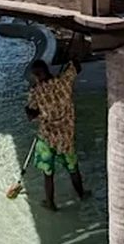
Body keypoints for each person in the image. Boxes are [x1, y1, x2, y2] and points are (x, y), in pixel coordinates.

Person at [25, 55, 88, 210]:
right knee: (73, 168)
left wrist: (34, 110)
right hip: (66, 137)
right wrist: (70, 61)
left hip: (47, 138)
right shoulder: (64, 82)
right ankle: (81, 194)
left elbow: (31, 116)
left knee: (48, 173)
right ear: (47, 70)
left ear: (35, 76)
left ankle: (50, 203)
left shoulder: (35, 92)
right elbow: (76, 67)